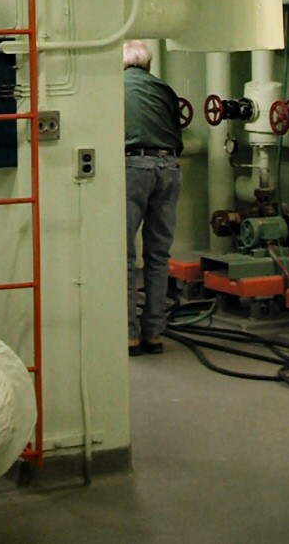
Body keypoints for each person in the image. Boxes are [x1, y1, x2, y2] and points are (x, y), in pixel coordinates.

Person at [123, 39, 182, 356]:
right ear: (147, 64)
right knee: (159, 255)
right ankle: (155, 334)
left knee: (124, 257)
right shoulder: (163, 88)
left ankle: (129, 335)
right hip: (169, 166)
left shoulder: (114, 85)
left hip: (133, 166)